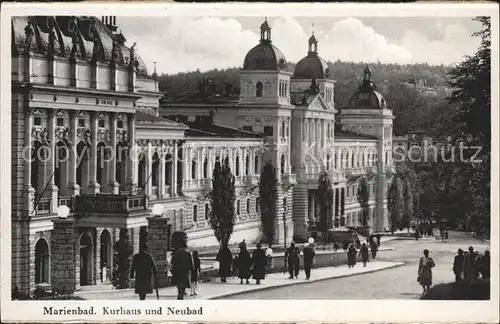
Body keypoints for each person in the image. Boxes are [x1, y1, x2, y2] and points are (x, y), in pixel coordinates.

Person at [171, 231, 193, 300]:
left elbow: (173, 263)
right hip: (185, 271)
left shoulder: (177, 253)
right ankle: (182, 294)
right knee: (184, 284)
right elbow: (191, 264)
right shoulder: (188, 253)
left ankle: (179, 294)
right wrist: (191, 269)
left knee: (179, 283)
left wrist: (173, 270)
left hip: (178, 271)